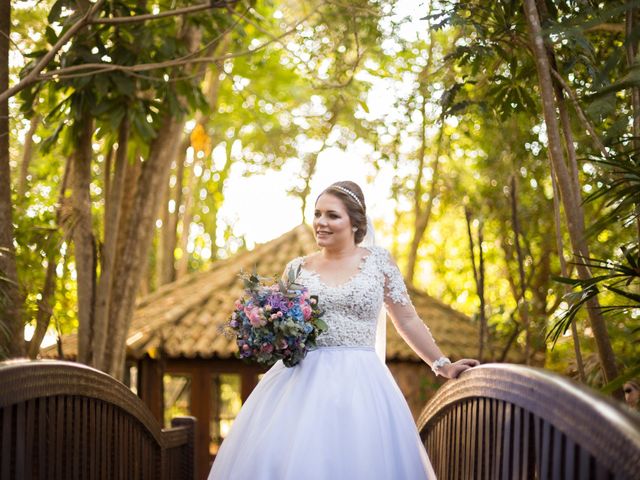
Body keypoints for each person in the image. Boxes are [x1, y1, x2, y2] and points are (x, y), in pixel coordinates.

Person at [208, 180, 479, 479]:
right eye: (317, 214)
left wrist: (443, 365)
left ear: (355, 223)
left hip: (362, 383)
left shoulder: (379, 262)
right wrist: (268, 331)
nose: (321, 223)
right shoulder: (296, 268)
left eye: (332, 215)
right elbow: (282, 322)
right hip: (300, 383)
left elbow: (407, 320)